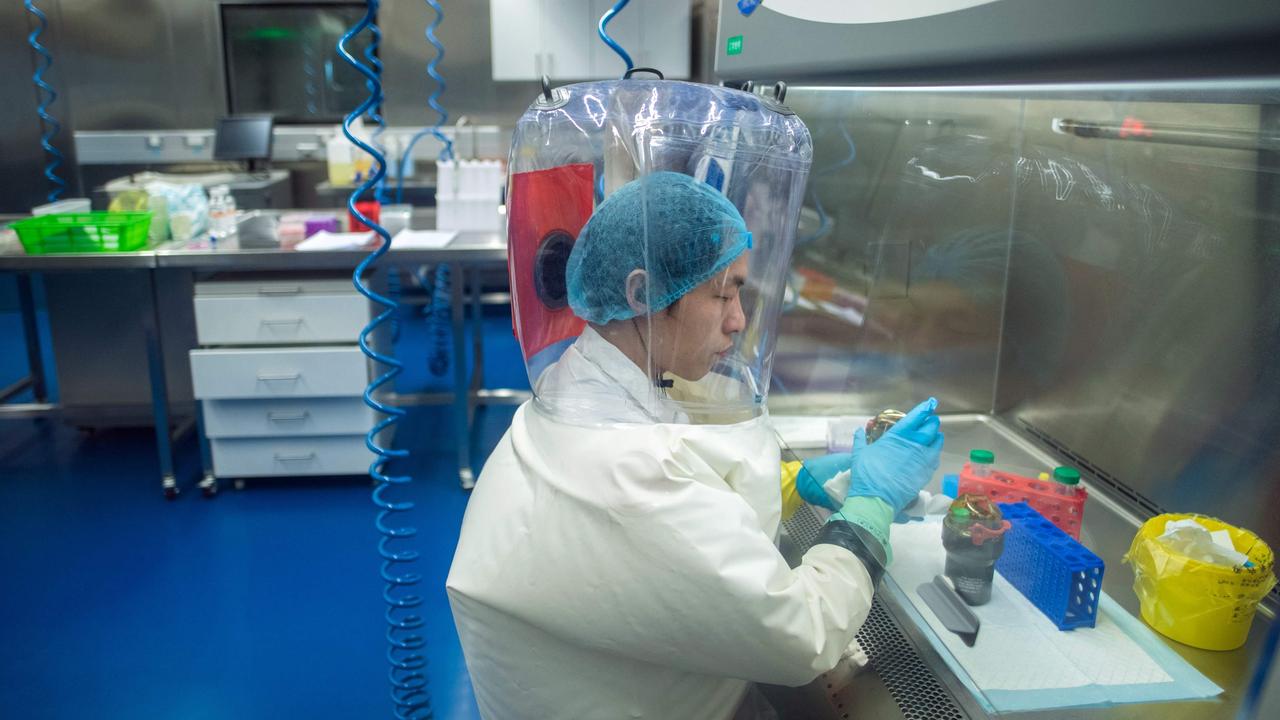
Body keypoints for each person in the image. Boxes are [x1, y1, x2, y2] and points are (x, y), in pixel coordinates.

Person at [447, 171, 943, 719]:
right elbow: (805, 633)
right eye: (721, 292)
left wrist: (791, 484)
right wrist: (870, 506)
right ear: (643, 294)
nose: (738, 320)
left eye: (741, 292)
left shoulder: (582, 383)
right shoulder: (632, 473)